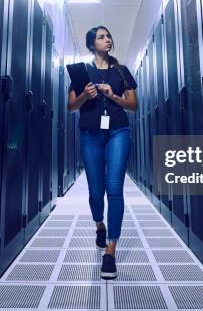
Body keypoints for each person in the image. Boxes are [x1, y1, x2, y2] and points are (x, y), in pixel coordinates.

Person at [67, 26, 138, 279]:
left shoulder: (122, 71)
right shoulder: (80, 71)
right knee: (96, 192)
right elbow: (70, 106)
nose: (107, 39)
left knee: (114, 189)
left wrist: (115, 96)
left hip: (118, 131)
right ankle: (100, 224)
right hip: (91, 134)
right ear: (91, 44)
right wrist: (85, 95)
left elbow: (133, 105)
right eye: (101, 37)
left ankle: (111, 251)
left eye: (109, 35)